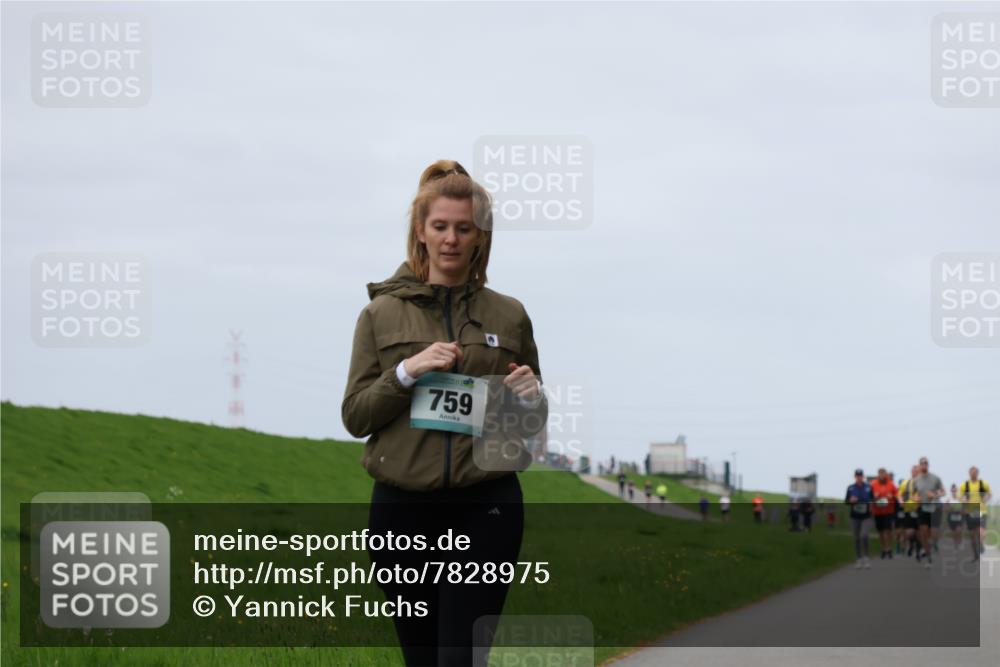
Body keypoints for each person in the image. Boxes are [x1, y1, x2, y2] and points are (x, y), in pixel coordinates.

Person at [341, 160, 547, 666]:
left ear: (480, 236)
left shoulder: (510, 315)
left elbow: (531, 426)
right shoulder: (380, 314)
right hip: (401, 511)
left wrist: (530, 398)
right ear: (421, 231)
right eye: (440, 226)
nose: (451, 239)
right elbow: (356, 417)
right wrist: (406, 371)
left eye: (464, 228)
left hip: (487, 506)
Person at [912, 456, 944, 568]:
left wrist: (934, 495)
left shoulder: (935, 478)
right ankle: (929, 558)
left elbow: (943, 492)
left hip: (934, 507)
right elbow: (912, 495)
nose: (924, 465)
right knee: (924, 532)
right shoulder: (916, 480)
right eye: (922, 464)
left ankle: (932, 544)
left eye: (925, 463)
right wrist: (915, 498)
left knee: (933, 533)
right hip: (922, 507)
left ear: (928, 465)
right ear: (919, 466)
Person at [960, 466, 992, 561]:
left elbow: (989, 494)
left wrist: (986, 498)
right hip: (970, 512)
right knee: (972, 536)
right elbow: (960, 496)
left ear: (977, 473)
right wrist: (963, 500)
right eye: (971, 472)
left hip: (981, 511)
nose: (973, 474)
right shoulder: (965, 485)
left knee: (981, 532)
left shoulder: (983, 484)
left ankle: (981, 544)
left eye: (975, 472)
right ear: (969, 473)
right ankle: (975, 555)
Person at [845, 468, 874, 569]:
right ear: (855, 477)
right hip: (855, 516)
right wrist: (851, 500)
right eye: (857, 476)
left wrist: (871, 506)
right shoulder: (850, 488)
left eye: (860, 476)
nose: (859, 478)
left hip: (866, 516)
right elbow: (846, 501)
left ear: (863, 476)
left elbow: (872, 499)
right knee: (856, 538)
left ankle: (866, 557)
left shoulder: (868, 487)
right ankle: (858, 558)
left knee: (864, 535)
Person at [870, 468, 898, 560]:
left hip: (888, 511)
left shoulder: (891, 484)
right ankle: (883, 549)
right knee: (881, 531)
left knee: (887, 531)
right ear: (878, 475)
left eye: (884, 474)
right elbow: (869, 496)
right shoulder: (873, 484)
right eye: (880, 474)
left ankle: (889, 548)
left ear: (886, 475)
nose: (882, 476)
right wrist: (874, 497)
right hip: (877, 511)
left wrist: (892, 496)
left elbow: (897, 494)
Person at [898, 465, 921, 558]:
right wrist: (901, 501)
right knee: (910, 532)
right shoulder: (905, 483)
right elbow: (900, 494)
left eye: (917, 471)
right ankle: (911, 543)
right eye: (914, 471)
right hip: (909, 510)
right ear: (911, 472)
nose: (915, 473)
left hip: (921, 510)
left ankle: (918, 550)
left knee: (920, 531)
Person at [945, 484, 965, 550]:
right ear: (951, 491)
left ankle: (960, 542)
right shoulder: (948, 499)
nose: (954, 492)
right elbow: (945, 508)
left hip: (959, 516)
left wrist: (961, 510)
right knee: (954, 532)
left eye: (955, 490)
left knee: (958, 530)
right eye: (953, 490)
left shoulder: (960, 498)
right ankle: (955, 543)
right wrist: (950, 508)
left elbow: (964, 507)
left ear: (957, 490)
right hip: (951, 517)